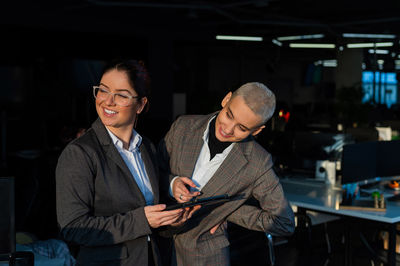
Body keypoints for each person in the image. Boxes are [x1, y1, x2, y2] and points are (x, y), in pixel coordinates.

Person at [56, 60, 191, 266]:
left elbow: (147, 215)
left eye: (121, 94)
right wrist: (142, 221)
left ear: (141, 105)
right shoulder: (80, 153)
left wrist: (171, 221)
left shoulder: (146, 147)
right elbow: (73, 227)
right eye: (103, 90)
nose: (108, 101)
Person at [159, 82, 295, 266]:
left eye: (242, 128)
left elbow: (283, 222)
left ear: (257, 131)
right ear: (226, 99)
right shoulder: (183, 126)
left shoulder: (258, 162)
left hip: (206, 257)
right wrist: (171, 182)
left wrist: (225, 210)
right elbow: (149, 172)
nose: (228, 129)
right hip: (156, 249)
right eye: (229, 115)